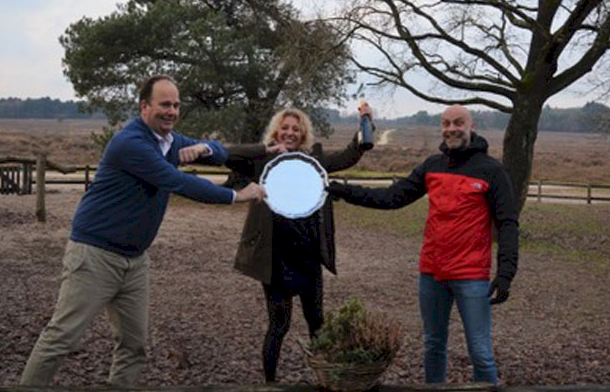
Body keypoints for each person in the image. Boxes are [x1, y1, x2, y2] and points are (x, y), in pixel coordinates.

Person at [20, 75, 265, 387]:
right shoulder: (132, 143)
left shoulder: (168, 141)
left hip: (134, 260)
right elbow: (178, 182)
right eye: (164, 104)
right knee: (61, 338)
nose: (171, 111)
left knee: (134, 346)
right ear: (144, 107)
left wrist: (206, 147)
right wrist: (237, 195)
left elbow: (221, 152)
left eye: (176, 105)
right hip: (95, 255)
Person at [327, 105, 519, 385]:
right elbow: (392, 197)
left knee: (480, 352)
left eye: (458, 123)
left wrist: (506, 273)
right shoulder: (433, 166)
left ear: (471, 127)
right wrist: (343, 190)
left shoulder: (491, 171)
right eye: (446, 123)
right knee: (433, 346)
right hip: (431, 273)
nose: (451, 129)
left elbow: (507, 223)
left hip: (471, 275)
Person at [225, 105, 374, 383]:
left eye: (296, 128)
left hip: (307, 257)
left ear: (303, 133)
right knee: (278, 326)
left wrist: (365, 124)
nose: (290, 133)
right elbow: (231, 156)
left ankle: (326, 379)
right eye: (285, 127)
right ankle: (270, 383)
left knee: (317, 323)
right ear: (276, 131)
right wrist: (265, 149)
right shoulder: (262, 161)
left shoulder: (313, 160)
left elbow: (347, 157)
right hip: (275, 257)